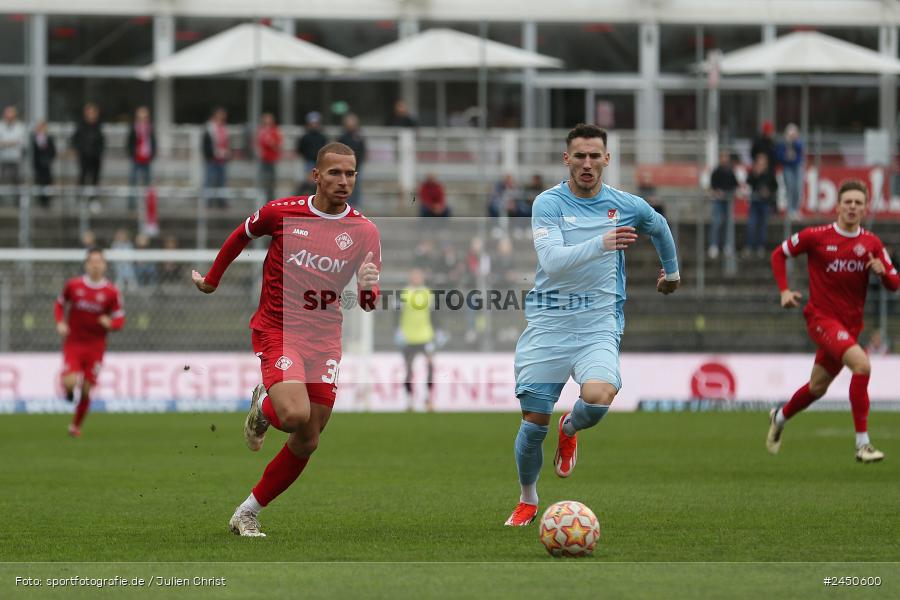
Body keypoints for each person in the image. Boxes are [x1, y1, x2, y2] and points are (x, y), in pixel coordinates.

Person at [191, 141, 382, 537]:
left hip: (325, 336)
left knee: (308, 438)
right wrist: (212, 279)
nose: (343, 181)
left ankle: (246, 512)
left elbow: (367, 303)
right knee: (295, 415)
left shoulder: (364, 231)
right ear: (316, 175)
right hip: (279, 329)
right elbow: (240, 235)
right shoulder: (282, 213)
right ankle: (265, 404)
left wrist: (366, 288)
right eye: (335, 173)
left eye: (350, 174)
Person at [505, 123, 680, 527]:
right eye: (579, 156)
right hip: (548, 322)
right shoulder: (548, 204)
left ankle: (571, 427)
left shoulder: (626, 204)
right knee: (533, 423)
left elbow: (660, 227)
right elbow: (552, 262)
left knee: (599, 398)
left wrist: (671, 274)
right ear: (567, 159)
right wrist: (601, 242)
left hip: (598, 320)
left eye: (594, 155)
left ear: (607, 158)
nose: (587, 163)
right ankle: (528, 499)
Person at [767, 180, 899, 463]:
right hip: (820, 319)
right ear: (837, 206)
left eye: (858, 203)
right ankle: (862, 444)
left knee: (817, 388)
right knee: (862, 365)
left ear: (864, 209)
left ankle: (779, 416)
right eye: (847, 202)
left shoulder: (872, 244)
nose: (852, 207)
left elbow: (895, 282)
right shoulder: (816, 236)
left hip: (849, 328)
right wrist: (784, 291)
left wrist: (882, 273)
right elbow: (779, 254)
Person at [54, 248, 125, 437]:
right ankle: (69, 392)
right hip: (74, 343)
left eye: (99, 261)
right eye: (92, 261)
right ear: (86, 264)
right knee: (70, 382)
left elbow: (120, 319)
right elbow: (60, 304)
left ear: (104, 265)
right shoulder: (73, 285)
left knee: (86, 390)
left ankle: (75, 427)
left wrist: (110, 323)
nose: (95, 265)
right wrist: (60, 322)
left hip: (96, 346)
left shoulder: (111, 292)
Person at [397, 268, 436, 412]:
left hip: (426, 336)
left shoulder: (428, 293)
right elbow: (396, 313)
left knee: (430, 366)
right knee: (408, 369)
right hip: (408, 337)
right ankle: (409, 400)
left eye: (418, 276)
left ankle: (428, 398)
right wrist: (398, 330)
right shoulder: (404, 293)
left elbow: (435, 313)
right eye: (414, 276)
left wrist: (438, 330)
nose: (416, 279)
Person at [744, 152, 777, 258]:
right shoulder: (753, 173)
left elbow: (775, 186)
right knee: (751, 224)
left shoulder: (770, 173)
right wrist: (755, 175)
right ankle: (749, 246)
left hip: (765, 203)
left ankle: (760, 247)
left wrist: (768, 192)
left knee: (763, 226)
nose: (761, 165)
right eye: (759, 162)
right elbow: (748, 182)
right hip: (755, 202)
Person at [708, 150, 738, 260]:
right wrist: (717, 193)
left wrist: (729, 193)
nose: (724, 159)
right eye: (723, 157)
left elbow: (735, 185)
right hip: (718, 201)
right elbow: (712, 187)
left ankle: (728, 245)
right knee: (716, 222)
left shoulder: (731, 172)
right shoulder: (716, 171)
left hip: (728, 201)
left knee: (728, 223)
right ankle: (713, 245)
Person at [126, 106, 156, 210]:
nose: (143, 119)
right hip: (136, 159)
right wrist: (133, 154)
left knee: (148, 183)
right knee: (133, 181)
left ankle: (148, 205)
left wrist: (152, 154)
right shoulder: (133, 128)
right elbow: (129, 144)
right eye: (141, 117)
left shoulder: (150, 128)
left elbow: (153, 142)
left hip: (147, 159)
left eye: (145, 117)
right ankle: (131, 205)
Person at [71, 103, 105, 188]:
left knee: (95, 178)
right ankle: (80, 197)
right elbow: (75, 140)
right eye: (89, 112)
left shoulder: (98, 126)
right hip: (84, 156)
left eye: (93, 112)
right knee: (82, 176)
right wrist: (80, 149)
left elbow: (101, 141)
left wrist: (98, 151)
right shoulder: (81, 125)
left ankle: (93, 198)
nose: (92, 115)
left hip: (95, 157)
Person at [202, 107, 231, 208]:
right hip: (212, 159)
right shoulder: (210, 127)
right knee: (209, 181)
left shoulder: (224, 128)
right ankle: (207, 203)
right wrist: (209, 155)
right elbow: (206, 143)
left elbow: (226, 142)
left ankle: (221, 202)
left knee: (222, 182)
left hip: (222, 159)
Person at [337, 113, 366, 206]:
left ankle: (356, 205)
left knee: (356, 185)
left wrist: (360, 161)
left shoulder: (359, 137)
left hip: (357, 166)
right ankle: (344, 204)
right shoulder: (342, 137)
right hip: (344, 166)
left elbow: (362, 150)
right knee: (344, 185)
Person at [776, 123, 804, 220]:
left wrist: (794, 142)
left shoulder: (798, 142)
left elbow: (800, 153)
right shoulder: (782, 144)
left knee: (798, 188)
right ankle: (790, 210)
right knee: (790, 188)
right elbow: (779, 156)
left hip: (797, 168)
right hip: (788, 168)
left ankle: (796, 210)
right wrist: (786, 157)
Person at [0, 105, 26, 203]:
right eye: (7, 116)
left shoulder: (20, 127)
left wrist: (5, 143)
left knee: (17, 181)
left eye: (11, 116)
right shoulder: (1, 126)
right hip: (2, 159)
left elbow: (21, 142)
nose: (9, 118)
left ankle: (18, 202)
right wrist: (12, 143)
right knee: (2, 181)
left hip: (16, 159)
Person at [256, 112, 282, 202]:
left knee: (272, 180)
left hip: (272, 159)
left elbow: (278, 145)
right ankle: (263, 198)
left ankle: (271, 199)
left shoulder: (275, 131)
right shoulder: (261, 131)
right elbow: (258, 143)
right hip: (263, 159)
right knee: (264, 180)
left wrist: (271, 142)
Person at [31, 120, 56, 208]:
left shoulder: (49, 139)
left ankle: (47, 200)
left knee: (47, 182)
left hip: (47, 165)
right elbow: (33, 152)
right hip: (38, 165)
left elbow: (53, 151)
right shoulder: (33, 139)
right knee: (39, 181)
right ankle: (40, 200)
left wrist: (49, 159)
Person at [296, 111, 327, 176]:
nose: (314, 125)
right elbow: (300, 148)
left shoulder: (322, 137)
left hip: (319, 162)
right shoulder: (305, 137)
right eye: (312, 123)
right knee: (309, 179)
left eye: (316, 123)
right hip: (308, 161)